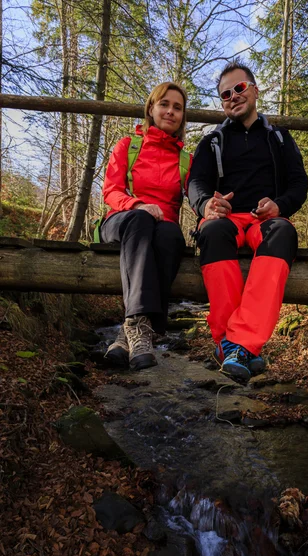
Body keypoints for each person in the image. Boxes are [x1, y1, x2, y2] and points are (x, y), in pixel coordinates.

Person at [188, 62, 308, 384]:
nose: (233, 97)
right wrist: (206, 205)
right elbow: (196, 184)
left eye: (239, 88)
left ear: (255, 90)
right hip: (225, 220)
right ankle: (238, 347)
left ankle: (233, 344)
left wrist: (279, 205)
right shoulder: (211, 142)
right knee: (211, 231)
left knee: (283, 232)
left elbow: (299, 184)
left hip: (264, 220)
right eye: (225, 94)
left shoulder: (279, 138)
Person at [100, 82, 191, 370]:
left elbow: (200, 194)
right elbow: (110, 192)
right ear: (151, 109)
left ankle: (129, 332)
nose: (170, 111)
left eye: (177, 107)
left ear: (182, 117)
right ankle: (139, 326)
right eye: (164, 104)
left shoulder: (186, 159)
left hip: (162, 228)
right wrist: (137, 205)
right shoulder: (128, 145)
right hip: (122, 220)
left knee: (171, 234)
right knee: (142, 219)